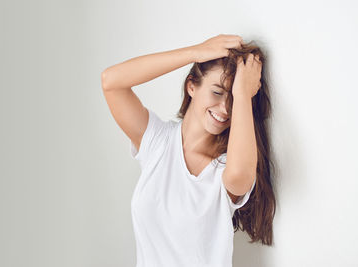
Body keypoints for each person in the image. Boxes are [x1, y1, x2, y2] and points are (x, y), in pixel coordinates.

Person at [101, 34, 276, 267]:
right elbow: (111, 81)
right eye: (217, 92)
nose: (225, 108)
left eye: (233, 99)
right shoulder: (158, 142)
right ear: (192, 85)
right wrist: (195, 52)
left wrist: (243, 94)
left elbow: (239, 178)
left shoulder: (225, 167)